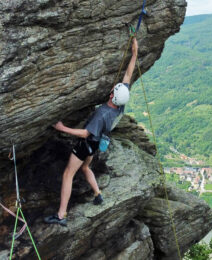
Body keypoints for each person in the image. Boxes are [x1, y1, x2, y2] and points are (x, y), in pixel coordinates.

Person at [44, 38, 139, 226]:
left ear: (112, 95)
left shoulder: (102, 113)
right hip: (97, 143)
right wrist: (134, 52)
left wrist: (62, 128)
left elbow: (85, 134)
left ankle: (61, 215)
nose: (113, 88)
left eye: (113, 89)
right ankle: (98, 194)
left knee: (68, 174)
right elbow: (127, 76)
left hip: (86, 144)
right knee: (86, 167)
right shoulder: (120, 105)